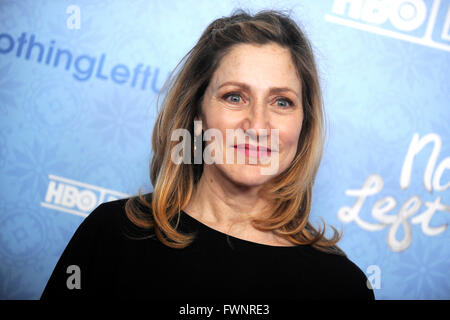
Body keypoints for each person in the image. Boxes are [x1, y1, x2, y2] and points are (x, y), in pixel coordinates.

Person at [41, 9, 375, 301]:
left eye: (281, 101)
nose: (257, 125)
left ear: (305, 123)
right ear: (198, 115)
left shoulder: (342, 285)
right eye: (234, 97)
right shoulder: (112, 235)